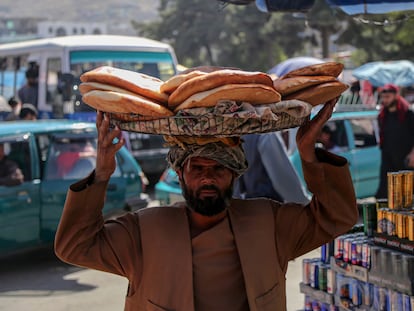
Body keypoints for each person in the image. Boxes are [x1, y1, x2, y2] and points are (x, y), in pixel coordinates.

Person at [55, 99, 358, 311]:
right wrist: (102, 175)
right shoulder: (143, 231)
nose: (207, 179)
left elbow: (338, 217)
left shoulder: (269, 222)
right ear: (181, 174)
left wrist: (309, 154)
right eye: (197, 169)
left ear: (235, 174)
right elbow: (74, 246)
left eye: (219, 169)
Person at [234, 132, 309, 204]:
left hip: (250, 207)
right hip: (269, 207)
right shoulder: (266, 135)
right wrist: (306, 203)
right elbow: (283, 180)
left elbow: (236, 185)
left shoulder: (238, 137)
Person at [375, 83, 414, 199]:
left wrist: (413, 154)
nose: (385, 100)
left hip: (406, 159)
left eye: (388, 97)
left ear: (396, 96)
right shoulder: (382, 115)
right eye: (383, 97)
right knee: (385, 194)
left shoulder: (408, 113)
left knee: (407, 193)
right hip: (388, 158)